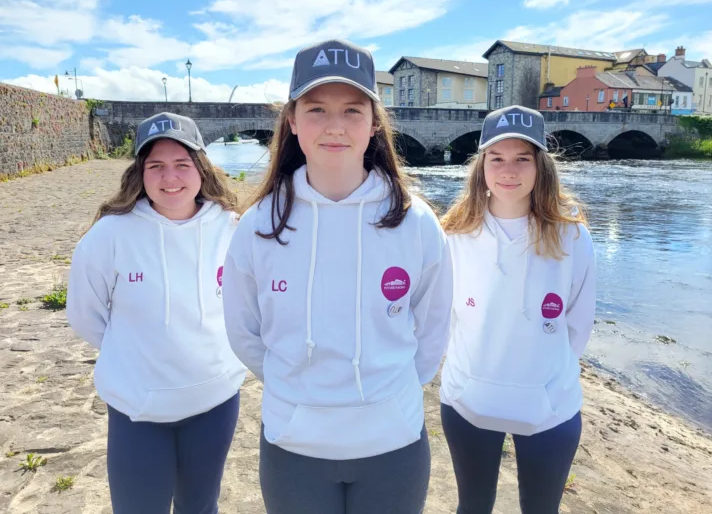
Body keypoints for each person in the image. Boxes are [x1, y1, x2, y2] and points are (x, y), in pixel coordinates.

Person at [222, 39, 452, 514]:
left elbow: (433, 329)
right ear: (292, 120)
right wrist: (296, 389)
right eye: (316, 109)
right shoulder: (260, 224)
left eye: (351, 110)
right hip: (293, 444)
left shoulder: (416, 222)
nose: (334, 126)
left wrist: (387, 396)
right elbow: (243, 330)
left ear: (373, 123)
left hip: (394, 443)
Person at [66, 113, 247, 514]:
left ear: (201, 167)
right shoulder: (109, 236)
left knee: (200, 507)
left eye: (182, 164)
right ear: (139, 173)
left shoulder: (233, 227)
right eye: (156, 166)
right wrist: (137, 351)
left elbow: (250, 304)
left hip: (214, 401)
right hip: (138, 410)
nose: (171, 178)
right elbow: (85, 315)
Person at [439, 106, 596, 514]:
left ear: (541, 166)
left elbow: (578, 321)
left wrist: (543, 375)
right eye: (497, 158)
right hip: (468, 402)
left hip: (549, 408)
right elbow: (443, 317)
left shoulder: (572, 234)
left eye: (522, 158)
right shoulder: (455, 233)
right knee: (472, 506)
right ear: (481, 166)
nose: (509, 170)